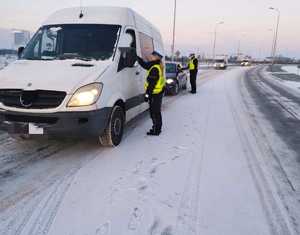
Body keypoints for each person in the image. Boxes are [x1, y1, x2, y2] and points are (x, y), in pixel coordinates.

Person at [137, 51, 166, 136]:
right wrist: (139, 59)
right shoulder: (156, 66)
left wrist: (147, 95)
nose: (150, 57)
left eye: (152, 56)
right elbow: (146, 65)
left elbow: (151, 85)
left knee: (154, 112)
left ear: (156, 58)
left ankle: (156, 130)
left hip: (154, 94)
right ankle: (156, 128)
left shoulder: (154, 69)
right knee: (156, 112)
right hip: (157, 93)